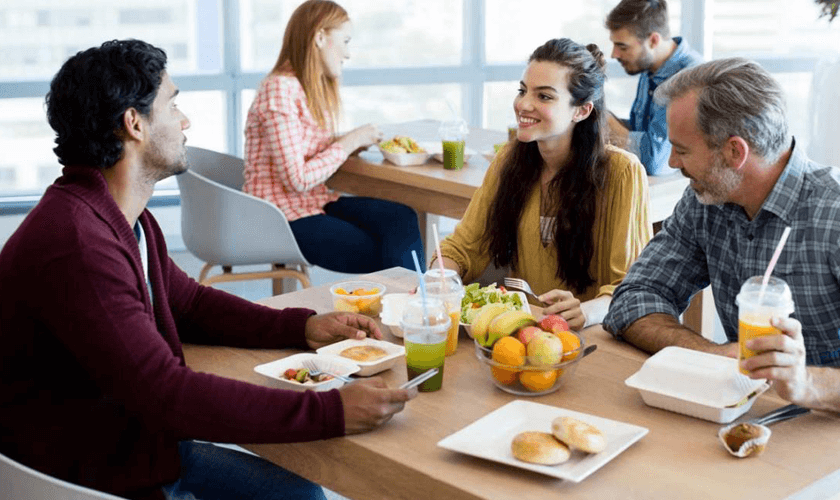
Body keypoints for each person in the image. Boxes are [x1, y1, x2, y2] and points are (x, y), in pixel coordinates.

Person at [0, 39, 416, 500]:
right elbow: (166, 394)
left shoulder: (120, 218)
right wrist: (330, 411)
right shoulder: (79, 243)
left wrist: (304, 327)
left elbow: (189, 303)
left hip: (131, 450)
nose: (185, 121)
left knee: (302, 496)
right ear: (133, 124)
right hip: (93, 478)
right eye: (172, 104)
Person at [603, 58, 840, 412]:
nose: (670, 163)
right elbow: (633, 298)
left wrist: (807, 384)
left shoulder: (832, 214)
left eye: (681, 150)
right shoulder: (706, 200)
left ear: (734, 152)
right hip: (749, 419)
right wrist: (712, 354)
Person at [435, 38, 652, 331]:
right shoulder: (509, 159)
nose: (524, 104)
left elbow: (630, 287)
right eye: (523, 91)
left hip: (594, 336)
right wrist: (437, 279)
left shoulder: (623, 172)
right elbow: (463, 247)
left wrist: (587, 311)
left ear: (582, 110)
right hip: (525, 332)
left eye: (544, 97)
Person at [243, 0, 424, 273]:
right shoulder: (279, 89)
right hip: (282, 218)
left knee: (401, 218)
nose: (348, 54)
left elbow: (300, 147)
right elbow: (297, 178)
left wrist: (350, 142)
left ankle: (409, 307)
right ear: (319, 37)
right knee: (386, 253)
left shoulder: (300, 89)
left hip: (313, 203)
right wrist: (347, 142)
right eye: (346, 41)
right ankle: (410, 309)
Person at [605, 0, 702, 176]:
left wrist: (606, 120)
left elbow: (655, 161)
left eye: (622, 46)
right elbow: (639, 132)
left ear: (653, 40)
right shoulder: (649, 66)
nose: (614, 54)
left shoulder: (689, 78)